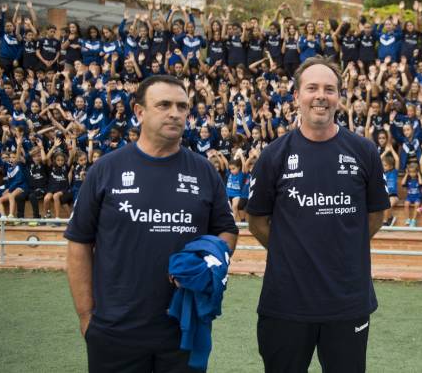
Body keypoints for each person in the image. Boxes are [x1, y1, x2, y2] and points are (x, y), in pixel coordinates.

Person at [64, 75, 238, 372]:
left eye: (182, 106)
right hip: (115, 330)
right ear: (139, 112)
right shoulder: (106, 170)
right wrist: (86, 316)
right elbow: (79, 243)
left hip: (184, 327)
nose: (175, 113)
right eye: (164, 105)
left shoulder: (204, 171)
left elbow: (226, 230)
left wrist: (208, 260)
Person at [245, 55, 390, 373]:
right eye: (312, 88)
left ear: (340, 96)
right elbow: (256, 221)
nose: (321, 95)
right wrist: (291, 250)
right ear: (296, 96)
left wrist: (343, 244)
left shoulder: (364, 151)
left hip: (347, 301)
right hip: (285, 302)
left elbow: (376, 215)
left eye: (329, 88)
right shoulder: (274, 156)